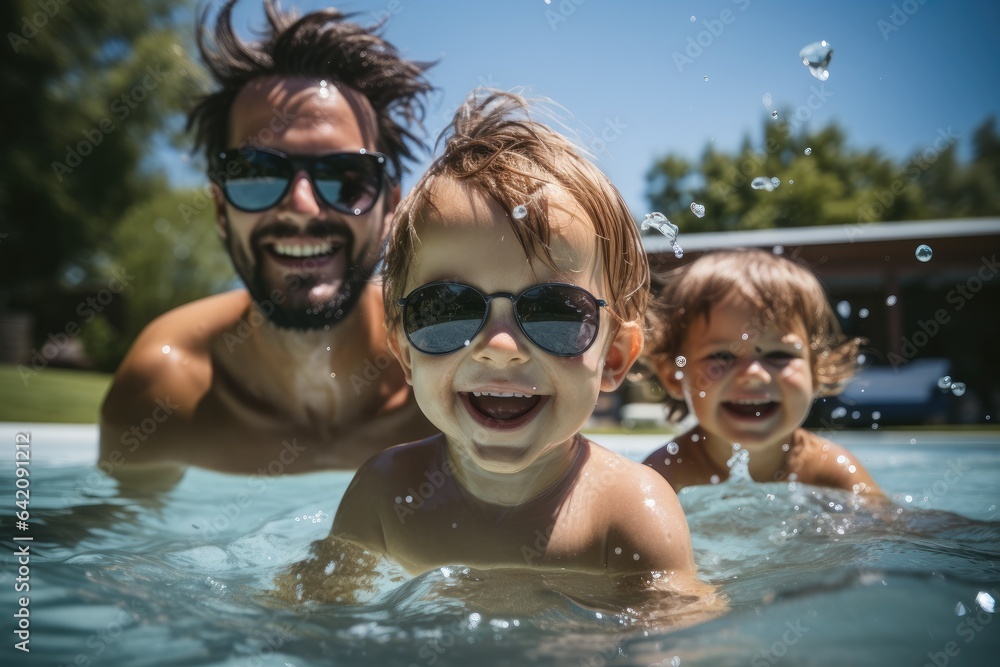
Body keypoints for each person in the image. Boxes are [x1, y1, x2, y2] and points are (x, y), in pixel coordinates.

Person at [308, 90, 711, 610]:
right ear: (405, 353)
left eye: (555, 313)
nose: (499, 348)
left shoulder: (631, 513)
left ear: (614, 357)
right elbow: (314, 626)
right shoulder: (385, 495)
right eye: (447, 311)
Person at [99, 0, 438, 475]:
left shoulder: (450, 379)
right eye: (257, 173)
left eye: (345, 177)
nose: (301, 207)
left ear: (389, 209)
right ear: (221, 208)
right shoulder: (162, 390)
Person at [642, 248, 884, 498]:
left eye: (779, 355)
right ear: (674, 375)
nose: (753, 374)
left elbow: (889, 531)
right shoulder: (665, 476)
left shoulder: (829, 470)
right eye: (722, 356)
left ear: (816, 373)